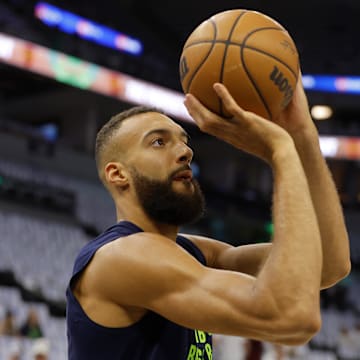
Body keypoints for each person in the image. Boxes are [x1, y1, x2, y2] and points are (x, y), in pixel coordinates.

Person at [66, 75, 351, 359]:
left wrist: (303, 137)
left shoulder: (192, 252)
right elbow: (292, 315)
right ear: (118, 174)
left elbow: (327, 264)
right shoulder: (121, 257)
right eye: (158, 142)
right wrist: (281, 152)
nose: (185, 151)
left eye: (183, 141)